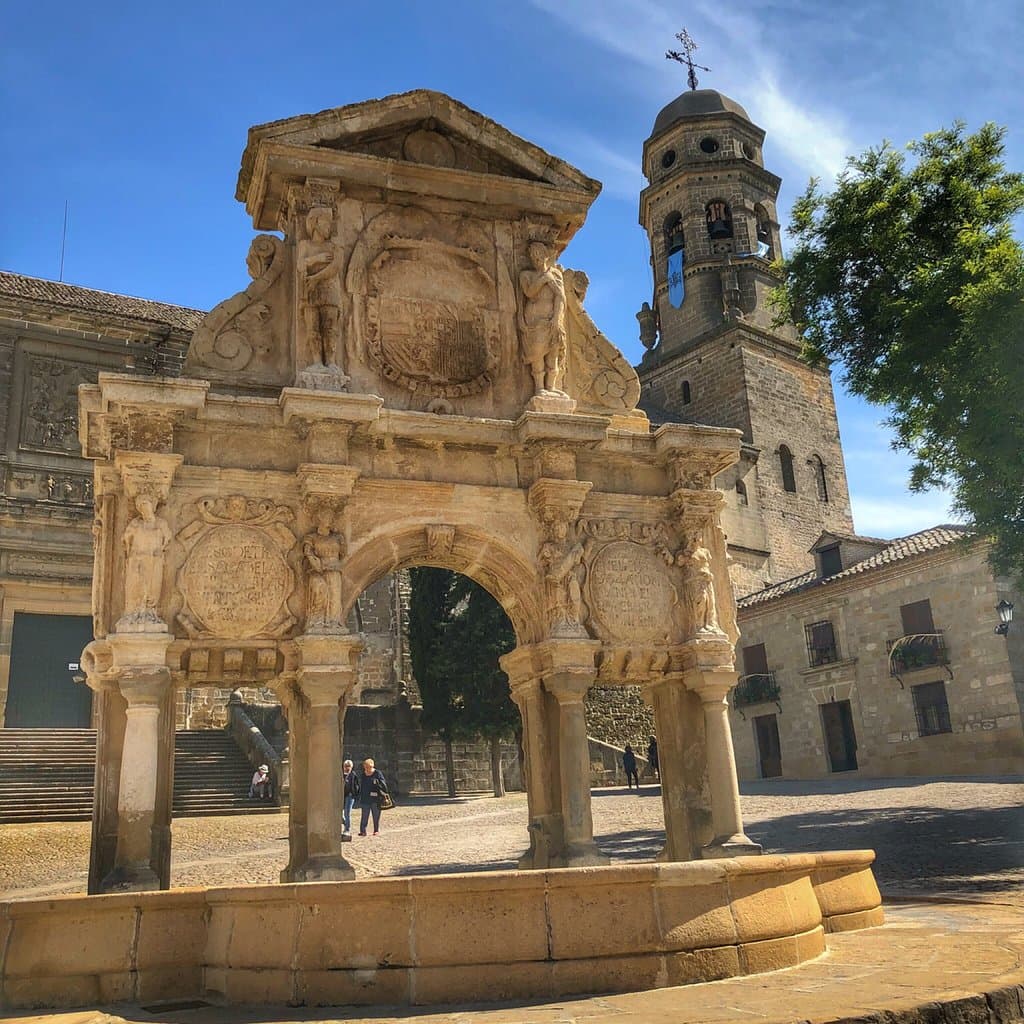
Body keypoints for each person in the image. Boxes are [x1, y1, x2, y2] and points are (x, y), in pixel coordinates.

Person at [355, 758, 389, 837]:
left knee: (376, 815)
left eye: (369, 767)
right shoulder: (363, 774)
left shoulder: (377, 773)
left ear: (372, 766)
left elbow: (383, 784)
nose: (367, 768)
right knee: (364, 816)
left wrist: (377, 783)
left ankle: (376, 830)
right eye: (366, 767)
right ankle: (363, 831)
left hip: (376, 798)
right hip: (365, 798)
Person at [342, 758, 357, 835]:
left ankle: (347, 829)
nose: (347, 767)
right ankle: (345, 822)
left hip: (350, 796)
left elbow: (356, 786)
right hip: (341, 796)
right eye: (346, 766)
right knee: (340, 814)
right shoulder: (340, 774)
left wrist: (353, 793)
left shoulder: (353, 775)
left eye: (349, 766)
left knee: (347, 813)